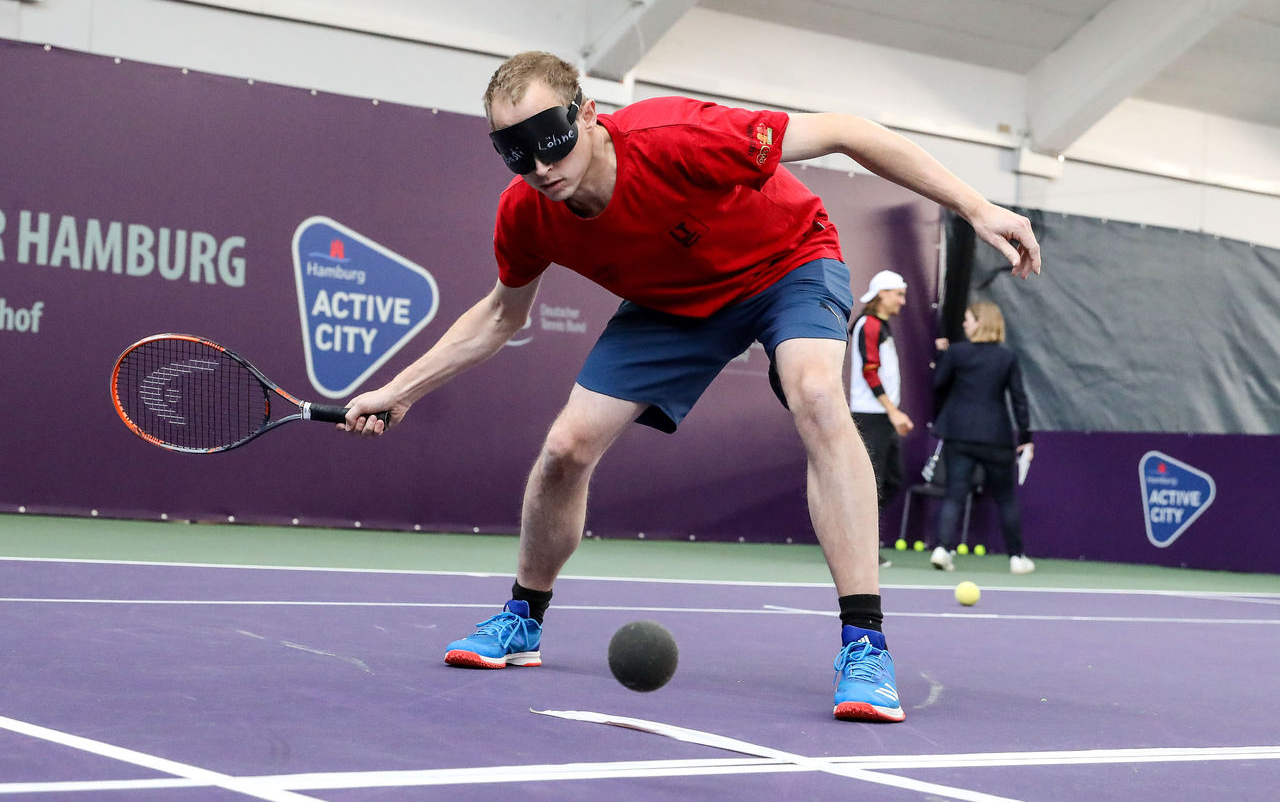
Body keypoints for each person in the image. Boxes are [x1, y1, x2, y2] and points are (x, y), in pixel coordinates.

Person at [340, 51, 1040, 722]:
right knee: (565, 448)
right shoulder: (527, 211)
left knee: (817, 395)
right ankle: (522, 618)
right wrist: (401, 389)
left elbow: (848, 132)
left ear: (587, 114)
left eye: (551, 139)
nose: (541, 165)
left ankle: (865, 643)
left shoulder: (676, 136)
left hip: (786, 263)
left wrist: (976, 208)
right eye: (516, 151)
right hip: (671, 305)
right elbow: (501, 314)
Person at [929, 301, 1036, 575]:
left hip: (959, 434)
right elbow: (1019, 399)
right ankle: (1017, 558)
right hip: (995, 436)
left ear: (980, 322)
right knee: (1006, 498)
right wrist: (1025, 436)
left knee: (955, 493)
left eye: (968, 319)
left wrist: (942, 356)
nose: (964, 324)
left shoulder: (956, 353)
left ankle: (943, 549)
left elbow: (938, 383)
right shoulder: (1006, 357)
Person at [848, 270, 914, 568]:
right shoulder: (869, 324)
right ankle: (860, 550)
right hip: (870, 416)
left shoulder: (879, 325)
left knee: (891, 481)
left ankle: (856, 541)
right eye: (898, 294)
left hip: (882, 416)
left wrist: (892, 412)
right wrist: (893, 410)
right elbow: (870, 371)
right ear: (882, 294)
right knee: (870, 486)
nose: (902, 301)